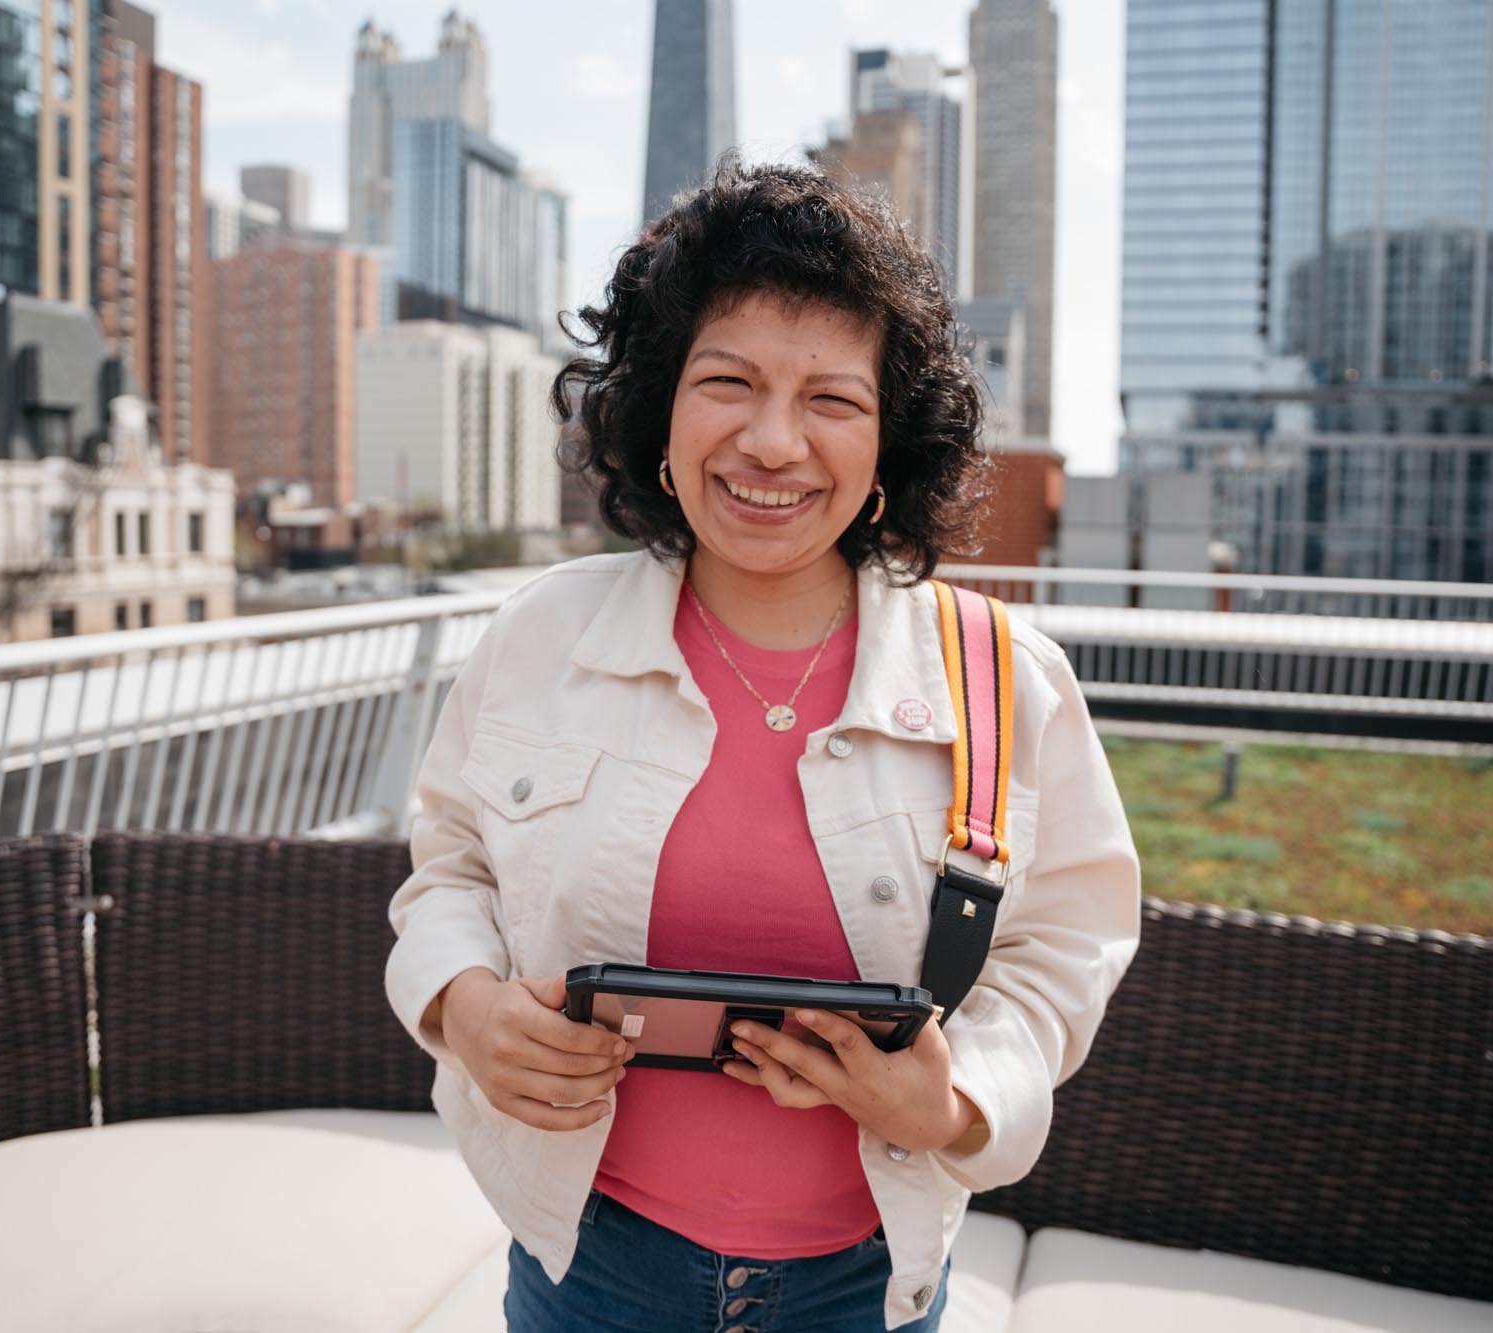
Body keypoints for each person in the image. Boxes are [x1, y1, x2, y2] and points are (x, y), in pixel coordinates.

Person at [385, 157, 1141, 1332]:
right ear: (657, 411)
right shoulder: (540, 635)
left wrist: (952, 1105)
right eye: (726, 380)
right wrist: (466, 1008)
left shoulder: (1002, 678)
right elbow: (449, 871)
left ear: (889, 442)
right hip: (584, 1268)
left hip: (866, 1288)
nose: (772, 440)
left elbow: (1062, 952)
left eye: (831, 399)